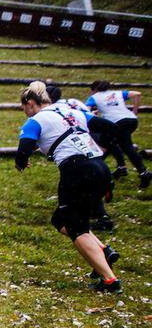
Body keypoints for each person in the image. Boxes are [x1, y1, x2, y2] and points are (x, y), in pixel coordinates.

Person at [16, 81, 121, 292]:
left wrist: (22, 162)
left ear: (30, 103)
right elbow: (110, 128)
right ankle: (103, 250)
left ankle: (110, 280)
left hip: (76, 172)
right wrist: (101, 149)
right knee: (60, 219)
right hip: (100, 167)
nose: (25, 113)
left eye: (24, 108)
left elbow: (23, 150)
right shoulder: (71, 111)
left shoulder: (35, 121)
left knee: (76, 227)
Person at [47, 85, 116, 232]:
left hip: (79, 142)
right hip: (92, 136)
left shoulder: (52, 110)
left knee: (83, 180)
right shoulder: (73, 101)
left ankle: (97, 217)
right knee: (93, 177)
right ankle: (103, 197)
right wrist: (104, 146)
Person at [85, 80, 149, 188]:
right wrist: (135, 111)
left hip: (117, 123)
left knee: (122, 146)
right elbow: (137, 94)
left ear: (94, 89)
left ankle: (143, 172)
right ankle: (121, 168)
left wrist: (93, 113)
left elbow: (85, 111)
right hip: (132, 120)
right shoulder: (118, 93)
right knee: (113, 143)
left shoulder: (94, 97)